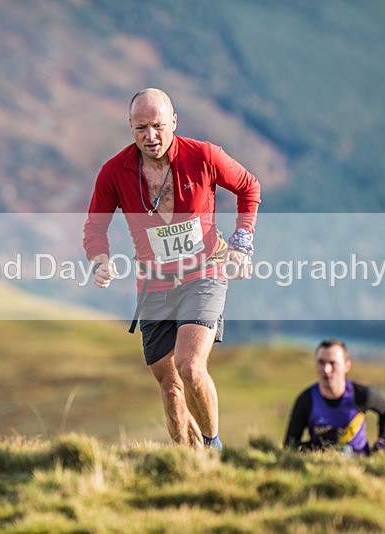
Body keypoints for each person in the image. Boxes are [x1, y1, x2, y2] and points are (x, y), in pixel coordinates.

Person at [83, 88, 261, 449]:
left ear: (174, 122)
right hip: (154, 284)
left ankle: (213, 447)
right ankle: (186, 463)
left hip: (205, 271)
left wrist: (242, 243)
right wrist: (100, 261)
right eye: (141, 127)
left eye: (159, 126)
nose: (151, 136)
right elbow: (94, 228)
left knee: (191, 367)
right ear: (130, 127)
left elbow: (249, 187)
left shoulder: (204, 156)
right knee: (170, 389)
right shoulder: (114, 172)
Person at [283, 339, 385, 455]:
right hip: (320, 467)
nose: (326, 370)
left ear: (346, 366)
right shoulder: (306, 400)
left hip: (360, 465)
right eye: (321, 362)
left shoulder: (361, 394)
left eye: (333, 363)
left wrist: (383, 439)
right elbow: (289, 446)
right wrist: (318, 444)